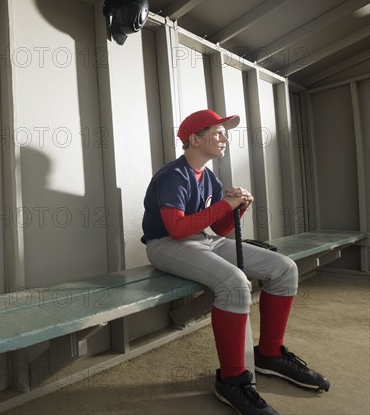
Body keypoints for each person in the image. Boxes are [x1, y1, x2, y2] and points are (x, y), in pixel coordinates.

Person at [141, 109, 329, 415]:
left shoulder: (210, 177)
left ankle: (270, 354)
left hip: (203, 239)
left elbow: (219, 230)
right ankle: (231, 380)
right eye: (217, 132)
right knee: (234, 283)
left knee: (284, 269)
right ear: (194, 138)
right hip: (165, 245)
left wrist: (237, 209)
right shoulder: (173, 176)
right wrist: (225, 205)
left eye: (224, 132)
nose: (224, 137)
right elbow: (175, 228)